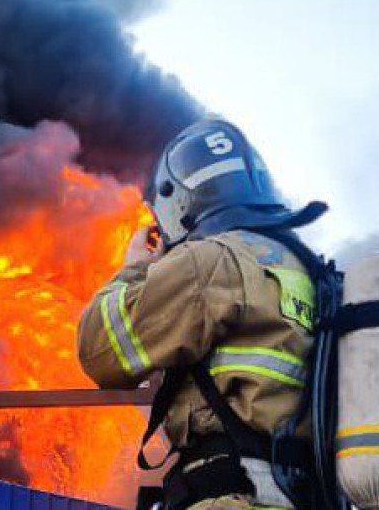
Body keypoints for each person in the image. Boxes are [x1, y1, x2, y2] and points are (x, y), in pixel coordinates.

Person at [77, 118, 329, 510]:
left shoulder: (210, 261)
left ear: (177, 199)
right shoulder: (308, 271)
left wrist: (136, 268)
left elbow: (100, 350)